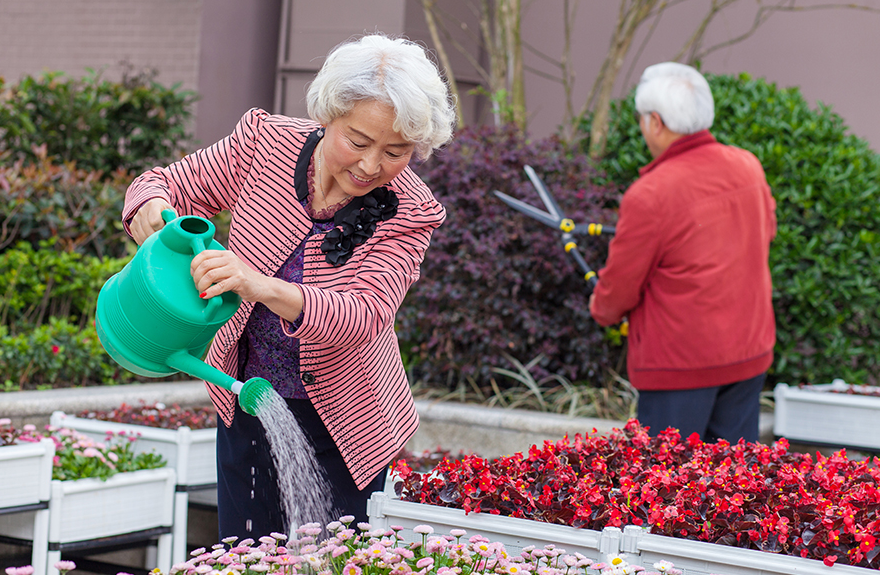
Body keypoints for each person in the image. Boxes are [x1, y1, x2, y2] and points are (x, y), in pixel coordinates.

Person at [122, 33, 456, 537]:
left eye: (396, 151)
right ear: (328, 116)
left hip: (350, 421)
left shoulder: (412, 210)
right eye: (358, 142)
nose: (370, 166)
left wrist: (259, 286)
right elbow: (165, 183)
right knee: (244, 553)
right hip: (247, 396)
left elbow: (363, 315)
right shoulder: (264, 143)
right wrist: (149, 205)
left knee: (338, 559)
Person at [588, 62, 776, 444]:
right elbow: (765, 232)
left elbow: (620, 286)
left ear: (655, 122)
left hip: (680, 363)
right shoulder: (748, 166)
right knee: (735, 484)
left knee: (670, 486)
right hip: (747, 351)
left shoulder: (652, 193)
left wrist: (602, 309)